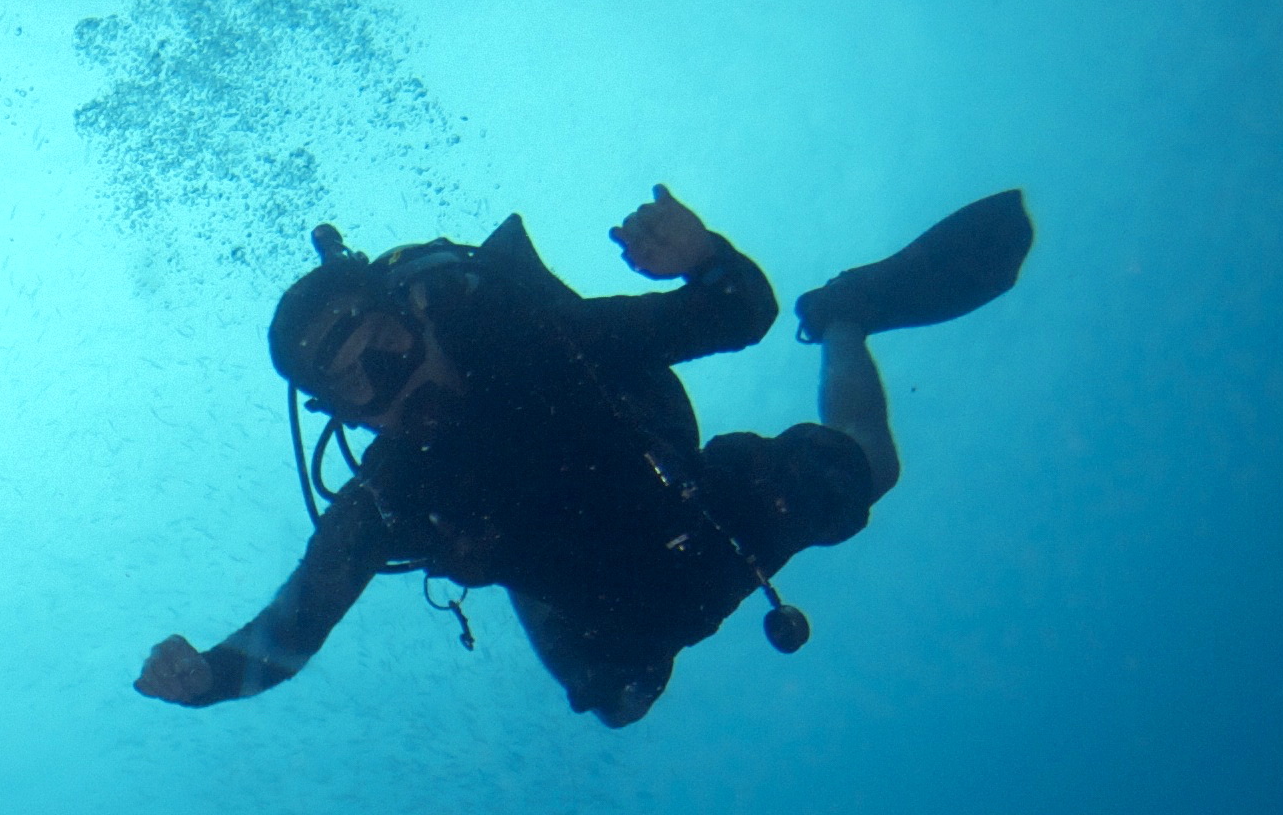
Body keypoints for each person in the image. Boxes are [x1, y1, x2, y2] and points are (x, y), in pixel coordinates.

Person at [137, 185, 1031, 727]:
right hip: (607, 620)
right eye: (360, 385)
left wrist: (703, 255)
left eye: (383, 344)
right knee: (613, 701)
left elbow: (735, 315)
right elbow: (295, 628)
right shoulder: (385, 498)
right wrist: (208, 677)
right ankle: (583, 644)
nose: (393, 382)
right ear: (341, 413)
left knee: (866, 471)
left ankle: (845, 315)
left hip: (694, 511)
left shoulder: (538, 339)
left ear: (413, 316)